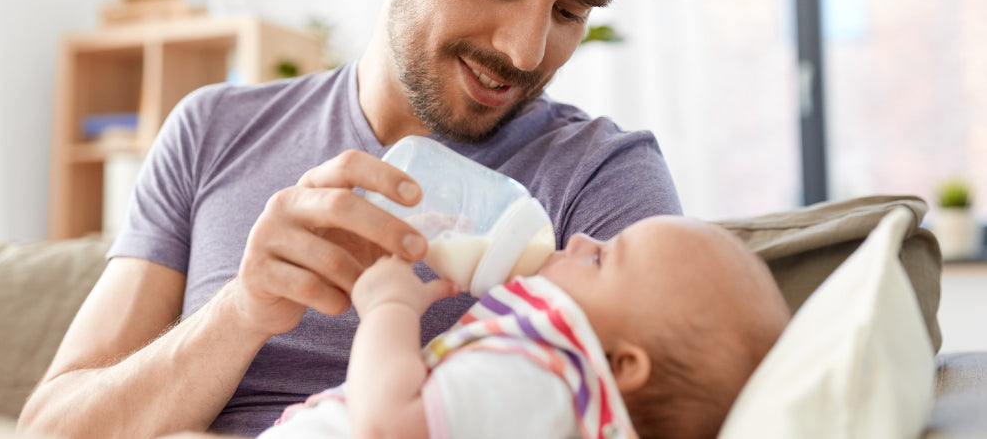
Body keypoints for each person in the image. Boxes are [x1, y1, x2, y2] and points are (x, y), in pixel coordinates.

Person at [18, 0, 682, 438]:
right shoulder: (213, 131)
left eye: (570, 12)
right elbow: (50, 427)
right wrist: (242, 311)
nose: (526, 52)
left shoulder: (602, 177)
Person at [258, 217, 791, 439]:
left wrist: (389, 309)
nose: (580, 239)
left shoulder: (545, 380)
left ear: (621, 364)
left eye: (602, 260)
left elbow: (389, 426)